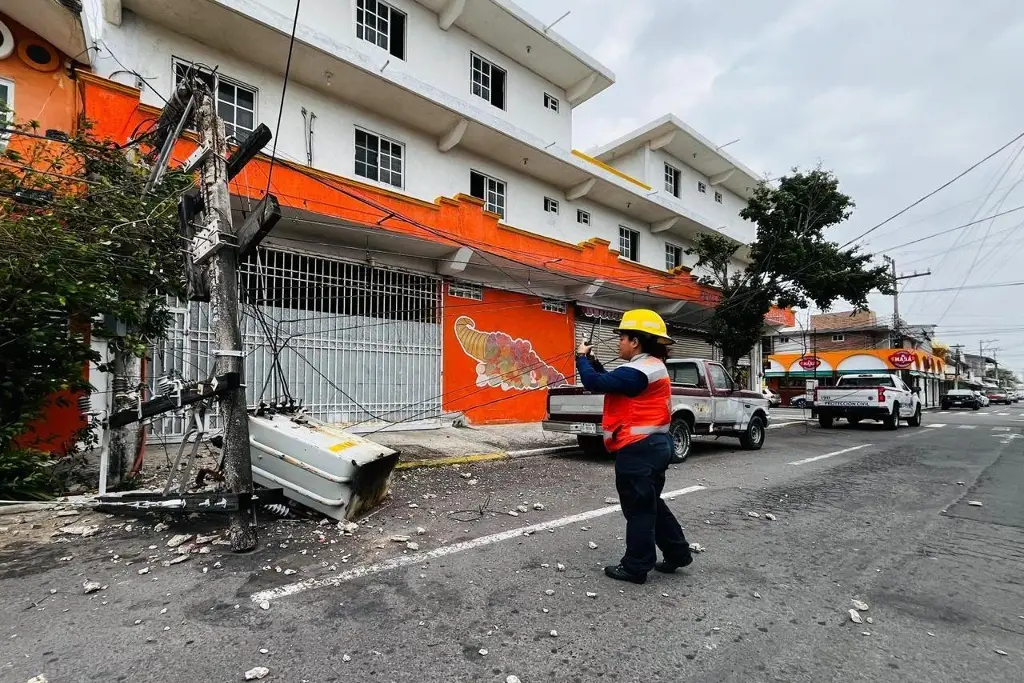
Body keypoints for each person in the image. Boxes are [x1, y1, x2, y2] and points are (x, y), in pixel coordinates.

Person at [576, 309, 694, 584]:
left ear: (635, 342)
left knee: (639, 509)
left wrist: (581, 358)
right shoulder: (648, 367)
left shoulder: (640, 370)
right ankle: (677, 553)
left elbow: (594, 383)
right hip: (654, 446)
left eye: (622, 338)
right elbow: (611, 382)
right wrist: (591, 360)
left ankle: (636, 566)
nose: (618, 343)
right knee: (651, 504)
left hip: (639, 449)